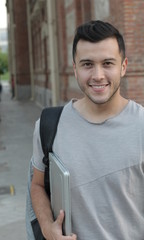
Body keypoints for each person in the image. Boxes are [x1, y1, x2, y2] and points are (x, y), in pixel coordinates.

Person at [30, 20, 144, 239]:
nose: (98, 75)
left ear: (124, 66)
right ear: (75, 68)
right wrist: (47, 227)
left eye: (108, 63)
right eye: (87, 64)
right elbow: (37, 185)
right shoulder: (49, 124)